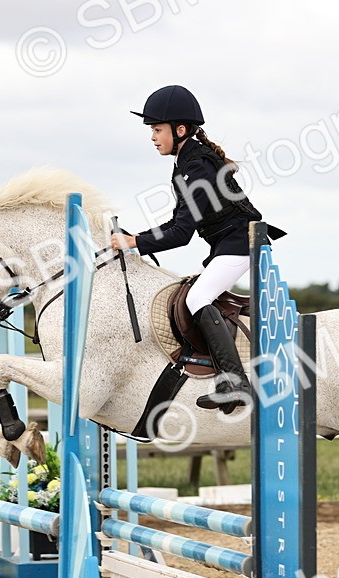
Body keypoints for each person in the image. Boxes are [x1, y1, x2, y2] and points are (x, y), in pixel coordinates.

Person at [113, 85, 280, 414]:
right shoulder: (188, 162)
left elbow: (181, 233)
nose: (152, 137)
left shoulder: (197, 166)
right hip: (229, 244)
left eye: (157, 130)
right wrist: (139, 237)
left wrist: (135, 242)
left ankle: (235, 381)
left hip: (239, 243)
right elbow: (179, 221)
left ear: (180, 129)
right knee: (195, 294)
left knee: (196, 298)